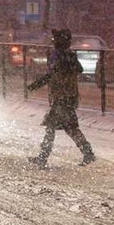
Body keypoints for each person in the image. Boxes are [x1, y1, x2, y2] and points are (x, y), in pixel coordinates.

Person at [27, 28, 95, 168]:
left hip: (62, 97)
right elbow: (78, 69)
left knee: (55, 127)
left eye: (56, 39)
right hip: (67, 96)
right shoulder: (68, 55)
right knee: (68, 127)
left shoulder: (60, 56)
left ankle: (43, 157)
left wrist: (35, 85)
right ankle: (87, 153)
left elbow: (53, 74)